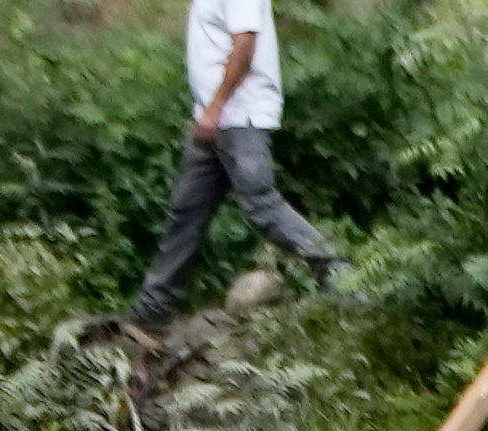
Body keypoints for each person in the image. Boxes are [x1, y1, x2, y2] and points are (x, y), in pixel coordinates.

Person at [125, 0, 337, 339]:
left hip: (240, 118)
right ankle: (152, 313)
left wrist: (216, 107)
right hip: (212, 119)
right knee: (187, 212)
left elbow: (245, 45)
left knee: (262, 206)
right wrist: (207, 112)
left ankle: (344, 279)